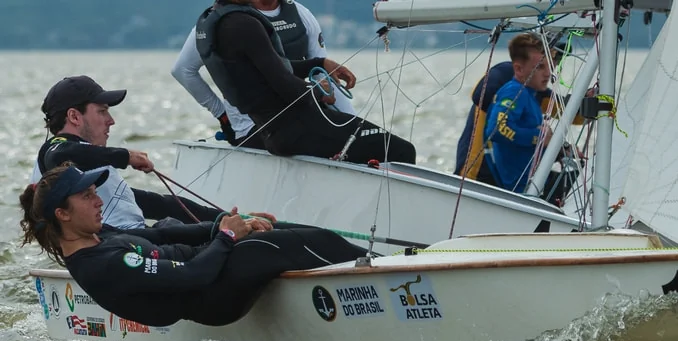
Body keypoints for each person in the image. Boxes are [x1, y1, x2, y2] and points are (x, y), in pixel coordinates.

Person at [20, 163, 368, 327]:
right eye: (87, 196)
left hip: (213, 268)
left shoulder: (99, 235)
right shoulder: (99, 264)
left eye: (96, 193)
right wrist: (229, 236)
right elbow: (192, 276)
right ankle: (381, 267)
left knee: (275, 229)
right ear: (62, 213)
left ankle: (376, 260)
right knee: (275, 246)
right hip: (212, 297)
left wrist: (227, 222)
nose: (98, 201)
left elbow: (165, 235)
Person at [195, 0, 417, 165]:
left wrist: (319, 63)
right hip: (302, 127)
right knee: (401, 151)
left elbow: (271, 70)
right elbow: (285, 85)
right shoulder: (244, 24)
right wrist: (319, 92)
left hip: (274, 133)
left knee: (369, 148)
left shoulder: (215, 22)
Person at [30, 75, 257, 229]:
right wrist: (125, 156)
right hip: (113, 255)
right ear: (74, 117)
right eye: (102, 112)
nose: (111, 121)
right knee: (174, 228)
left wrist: (228, 218)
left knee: (174, 219)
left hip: (136, 242)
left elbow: (156, 204)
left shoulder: (87, 161)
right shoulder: (56, 150)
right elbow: (60, 154)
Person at [171, 0, 355, 148]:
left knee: (360, 135)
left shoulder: (300, 14)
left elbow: (323, 75)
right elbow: (183, 70)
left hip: (299, 117)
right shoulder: (225, 19)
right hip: (252, 127)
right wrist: (221, 114)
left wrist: (351, 120)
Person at [455, 32, 584, 185]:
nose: (553, 66)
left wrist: (560, 148)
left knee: (572, 182)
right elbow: (480, 96)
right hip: (476, 172)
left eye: (556, 59)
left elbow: (573, 115)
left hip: (512, 175)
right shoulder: (506, 75)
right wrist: (534, 133)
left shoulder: (535, 92)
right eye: (550, 57)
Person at [482, 32, 576, 195]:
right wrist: (538, 137)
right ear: (519, 69)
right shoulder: (514, 92)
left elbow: (528, 146)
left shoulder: (529, 94)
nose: (548, 73)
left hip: (536, 182)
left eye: (549, 66)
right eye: (540, 67)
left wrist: (559, 150)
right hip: (524, 190)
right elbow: (496, 129)